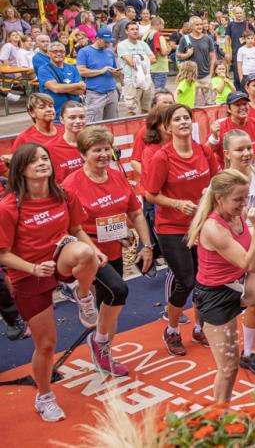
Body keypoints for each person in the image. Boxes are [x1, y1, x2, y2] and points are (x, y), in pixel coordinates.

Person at [0, 143, 110, 422]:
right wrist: (33, 268)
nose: (42, 163)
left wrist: (94, 249)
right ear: (20, 168)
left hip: (61, 257)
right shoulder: (8, 207)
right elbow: (3, 254)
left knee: (85, 253)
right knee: (47, 344)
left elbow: (75, 230)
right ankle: (44, 396)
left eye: (45, 158)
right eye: (34, 160)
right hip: (28, 273)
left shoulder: (63, 194)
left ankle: (82, 295)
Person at [187, 169, 255, 400]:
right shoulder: (213, 228)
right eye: (238, 199)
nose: (243, 204)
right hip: (215, 296)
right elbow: (250, 263)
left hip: (240, 282)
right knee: (229, 369)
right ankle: (220, 414)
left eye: (246, 197)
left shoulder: (237, 214)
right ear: (220, 198)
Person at [62, 126, 152, 377]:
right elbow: (72, 227)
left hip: (114, 247)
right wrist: (92, 249)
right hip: (87, 251)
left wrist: (146, 245)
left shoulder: (116, 176)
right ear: (82, 154)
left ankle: (103, 348)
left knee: (108, 305)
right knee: (119, 291)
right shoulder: (72, 185)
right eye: (96, 150)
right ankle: (99, 342)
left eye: (106, 149)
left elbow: (135, 212)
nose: (103, 154)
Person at [143, 103, 219, 355]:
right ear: (167, 127)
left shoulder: (204, 151)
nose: (184, 122)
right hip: (172, 227)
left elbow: (216, 183)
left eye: (187, 117)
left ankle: (200, 327)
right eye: (177, 119)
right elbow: (150, 194)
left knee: (205, 279)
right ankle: (172, 330)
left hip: (201, 225)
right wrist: (176, 203)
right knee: (185, 279)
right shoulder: (162, 157)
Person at [208, 91, 255, 163]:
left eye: (245, 104)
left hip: (254, 172)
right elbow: (206, 153)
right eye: (238, 105)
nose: (243, 107)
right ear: (228, 108)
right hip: (231, 173)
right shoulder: (220, 128)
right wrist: (214, 137)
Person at [76, 26, 121, 123]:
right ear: (97, 39)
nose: (108, 44)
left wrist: (116, 72)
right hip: (95, 94)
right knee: (94, 125)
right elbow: (81, 71)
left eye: (109, 42)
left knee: (112, 124)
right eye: (105, 42)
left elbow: (115, 70)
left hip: (112, 92)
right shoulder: (84, 51)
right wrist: (101, 71)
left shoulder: (110, 51)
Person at [36, 42, 84, 120]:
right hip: (55, 114)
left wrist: (61, 88)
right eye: (55, 51)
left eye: (62, 51)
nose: (59, 54)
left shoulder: (72, 68)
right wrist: (77, 85)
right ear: (48, 53)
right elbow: (56, 88)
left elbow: (80, 91)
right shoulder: (44, 69)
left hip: (74, 112)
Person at [176, 16, 217, 107]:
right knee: (190, 104)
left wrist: (211, 73)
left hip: (205, 75)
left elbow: (213, 57)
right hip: (190, 77)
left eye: (201, 24)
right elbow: (178, 55)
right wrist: (187, 55)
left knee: (210, 103)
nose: (200, 26)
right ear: (191, 26)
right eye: (197, 25)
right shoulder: (185, 39)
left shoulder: (207, 38)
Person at [44, 101, 87, 183]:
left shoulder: (93, 143)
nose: (78, 121)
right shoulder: (49, 149)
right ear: (61, 120)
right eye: (72, 117)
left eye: (82, 117)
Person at [117, 21, 154, 115]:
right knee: (132, 111)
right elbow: (131, 62)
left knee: (146, 110)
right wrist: (144, 58)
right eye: (132, 29)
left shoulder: (143, 44)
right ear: (126, 31)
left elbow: (153, 59)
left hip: (146, 80)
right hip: (131, 82)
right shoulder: (122, 45)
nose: (135, 31)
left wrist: (137, 58)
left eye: (137, 29)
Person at [225, 7, 255, 91]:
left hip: (247, 53)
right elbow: (227, 38)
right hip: (235, 53)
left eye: (240, 13)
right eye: (237, 13)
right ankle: (239, 95)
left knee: (247, 74)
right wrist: (227, 52)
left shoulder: (247, 24)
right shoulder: (231, 24)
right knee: (237, 76)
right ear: (234, 14)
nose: (239, 15)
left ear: (243, 13)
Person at [147, 16, 172, 89]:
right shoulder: (158, 35)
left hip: (150, 66)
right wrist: (169, 48)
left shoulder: (145, 35)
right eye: (163, 25)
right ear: (158, 24)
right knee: (159, 92)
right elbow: (163, 52)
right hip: (160, 67)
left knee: (156, 90)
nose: (163, 27)